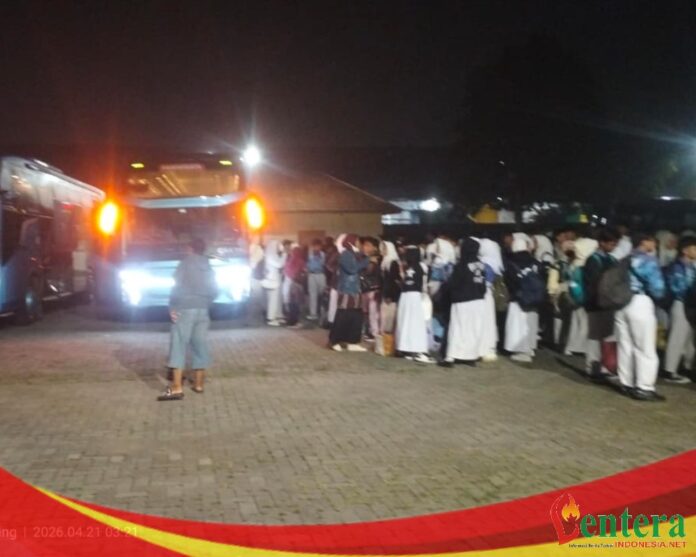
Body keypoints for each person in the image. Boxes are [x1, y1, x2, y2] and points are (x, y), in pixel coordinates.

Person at [159, 238, 218, 401]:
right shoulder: (208, 266)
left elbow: (176, 287)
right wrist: (205, 302)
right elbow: (215, 290)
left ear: (190, 248)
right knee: (200, 345)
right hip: (203, 309)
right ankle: (199, 385)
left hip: (184, 308)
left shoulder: (184, 264)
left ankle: (177, 387)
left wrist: (172, 307)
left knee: (179, 345)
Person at [615, 233, 666, 401]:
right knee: (645, 347)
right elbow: (658, 288)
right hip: (640, 301)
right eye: (653, 241)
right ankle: (644, 387)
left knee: (625, 346)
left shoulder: (624, 259)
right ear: (644, 241)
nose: (655, 244)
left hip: (621, 303)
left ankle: (626, 383)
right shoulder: (648, 260)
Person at [440, 238, 487, 367]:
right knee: (473, 329)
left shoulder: (461, 265)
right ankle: (470, 356)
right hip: (478, 300)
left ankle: (450, 357)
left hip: (462, 301)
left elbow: (454, 283)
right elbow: (483, 284)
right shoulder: (481, 265)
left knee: (457, 328)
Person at [582, 227, 619, 377]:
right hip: (595, 303)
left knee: (607, 335)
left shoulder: (611, 259)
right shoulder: (593, 260)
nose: (613, 247)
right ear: (601, 243)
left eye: (615, 244)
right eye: (611, 244)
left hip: (607, 303)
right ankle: (593, 366)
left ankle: (605, 366)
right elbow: (594, 283)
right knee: (595, 336)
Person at [662, 235, 696, 384]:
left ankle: (685, 367)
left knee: (689, 338)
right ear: (685, 250)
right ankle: (669, 370)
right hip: (681, 303)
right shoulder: (677, 267)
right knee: (677, 337)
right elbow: (678, 288)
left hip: (690, 305)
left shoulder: (691, 266)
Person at [504, 235, 543, 363]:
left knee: (518, 326)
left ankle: (522, 351)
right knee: (531, 324)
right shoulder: (536, 262)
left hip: (519, 299)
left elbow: (510, 281)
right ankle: (530, 348)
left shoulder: (512, 262)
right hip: (535, 298)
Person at [329, 234, 369, 351]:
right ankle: (334, 341)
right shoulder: (346, 254)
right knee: (343, 315)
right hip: (347, 290)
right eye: (357, 241)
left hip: (355, 289)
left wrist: (364, 258)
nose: (359, 244)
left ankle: (352, 342)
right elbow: (352, 269)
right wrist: (366, 260)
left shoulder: (356, 254)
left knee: (356, 316)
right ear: (350, 242)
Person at [396, 246, 434, 363]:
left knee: (406, 322)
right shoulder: (421, 266)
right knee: (418, 324)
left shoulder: (407, 266)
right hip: (416, 296)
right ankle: (419, 351)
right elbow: (425, 283)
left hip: (405, 296)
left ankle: (406, 349)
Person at [563, 237, 598, 355]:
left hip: (574, 297)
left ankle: (570, 347)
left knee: (575, 323)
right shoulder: (584, 265)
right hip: (583, 298)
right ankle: (579, 347)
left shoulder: (574, 263)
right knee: (584, 324)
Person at [478, 238, 504, 362]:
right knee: (489, 322)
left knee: (483, 322)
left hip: (483, 295)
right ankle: (489, 348)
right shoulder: (496, 262)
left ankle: (482, 348)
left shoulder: (485, 262)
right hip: (490, 296)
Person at [360, 237, 382, 341]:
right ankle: (367, 331)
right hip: (364, 288)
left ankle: (374, 333)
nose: (365, 247)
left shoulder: (378, 259)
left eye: (368, 245)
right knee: (365, 311)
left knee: (373, 312)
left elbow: (369, 271)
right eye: (364, 245)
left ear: (375, 247)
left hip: (374, 288)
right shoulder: (364, 258)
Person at [261, 240, 287, 326]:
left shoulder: (271, 255)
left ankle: (276, 316)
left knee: (275, 300)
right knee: (273, 300)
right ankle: (271, 318)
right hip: (272, 281)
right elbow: (279, 265)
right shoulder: (270, 256)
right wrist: (284, 255)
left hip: (273, 280)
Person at [379, 240, 401, 335]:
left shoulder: (393, 263)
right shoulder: (384, 262)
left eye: (385, 248)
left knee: (390, 315)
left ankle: (388, 335)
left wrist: (389, 295)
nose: (382, 250)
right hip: (385, 291)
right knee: (384, 315)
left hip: (391, 294)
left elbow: (393, 280)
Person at [282, 246, 306, 328]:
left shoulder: (289, 261)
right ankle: (294, 322)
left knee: (290, 303)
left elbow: (285, 272)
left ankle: (290, 320)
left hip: (287, 283)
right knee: (296, 304)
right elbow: (304, 271)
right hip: (296, 284)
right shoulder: (300, 261)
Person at [306, 238, 326, 321]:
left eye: (318, 246)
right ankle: (313, 314)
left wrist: (317, 256)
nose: (316, 248)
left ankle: (322, 313)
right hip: (312, 275)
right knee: (312, 295)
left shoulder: (322, 254)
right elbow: (307, 265)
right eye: (315, 246)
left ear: (320, 246)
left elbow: (322, 263)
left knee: (323, 294)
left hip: (320, 274)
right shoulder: (309, 254)